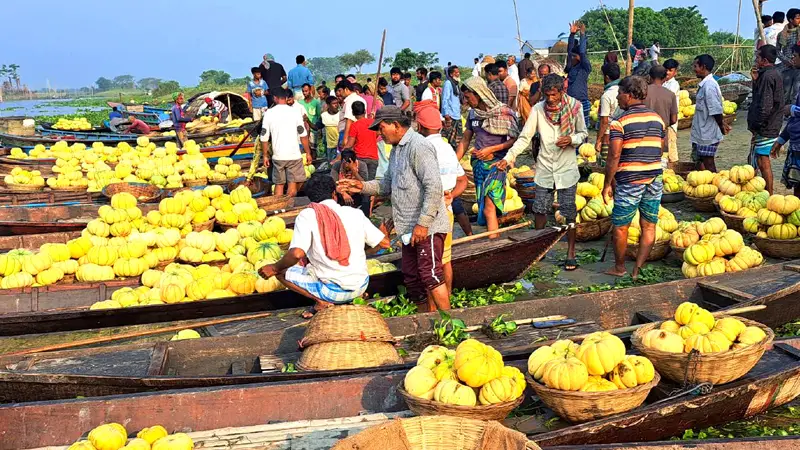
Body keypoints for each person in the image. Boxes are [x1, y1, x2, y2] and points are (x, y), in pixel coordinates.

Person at [338, 106, 452, 312]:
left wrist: (423, 223)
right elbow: (387, 184)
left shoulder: (419, 146)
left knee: (430, 274)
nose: (379, 134)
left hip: (427, 227)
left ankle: (449, 323)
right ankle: (426, 317)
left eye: (381, 128)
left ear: (396, 125)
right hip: (407, 228)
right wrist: (361, 186)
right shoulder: (397, 150)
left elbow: (434, 187)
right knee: (411, 276)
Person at [259, 174, 388, 318]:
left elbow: (296, 254)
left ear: (310, 197)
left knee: (281, 271)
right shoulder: (355, 213)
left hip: (333, 293)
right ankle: (355, 295)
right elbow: (384, 243)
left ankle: (321, 302)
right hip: (361, 285)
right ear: (334, 193)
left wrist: (275, 267)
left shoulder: (307, 215)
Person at [499, 74, 586, 270]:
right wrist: (508, 157)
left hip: (567, 168)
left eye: (554, 95)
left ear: (561, 92)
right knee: (540, 210)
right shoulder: (538, 110)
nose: (551, 99)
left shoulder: (575, 107)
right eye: (547, 95)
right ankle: (541, 249)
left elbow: (583, 133)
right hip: (545, 167)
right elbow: (524, 137)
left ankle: (570, 253)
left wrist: (571, 139)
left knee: (568, 211)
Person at [602, 76, 666, 279]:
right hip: (655, 177)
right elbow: (660, 148)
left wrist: (607, 184)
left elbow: (614, 155)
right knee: (649, 224)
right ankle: (637, 269)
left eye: (620, 93)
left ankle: (620, 268)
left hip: (630, 180)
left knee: (621, 226)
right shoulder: (657, 119)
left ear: (628, 96)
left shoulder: (619, 123)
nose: (618, 97)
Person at [415, 99, 469, 295]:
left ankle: (434, 306)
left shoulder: (420, 149)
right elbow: (463, 181)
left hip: (429, 214)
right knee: (445, 260)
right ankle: (448, 301)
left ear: (419, 126)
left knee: (430, 264)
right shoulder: (447, 148)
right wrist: (451, 196)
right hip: (447, 211)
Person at [456, 77, 519, 237]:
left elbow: (513, 140)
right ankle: (493, 238)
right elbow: (465, 139)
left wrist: (491, 149)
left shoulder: (504, 112)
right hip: (479, 166)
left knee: (491, 205)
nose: (467, 101)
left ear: (479, 94)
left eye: (468, 97)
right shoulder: (473, 115)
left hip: (497, 165)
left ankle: (493, 243)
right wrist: (454, 162)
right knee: (484, 206)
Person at [258, 88, 311, 197]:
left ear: (275, 98)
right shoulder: (295, 112)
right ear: (286, 98)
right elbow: (303, 134)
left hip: (278, 156)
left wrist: (265, 155)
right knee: (292, 185)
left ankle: (279, 207)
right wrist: (308, 153)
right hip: (294, 155)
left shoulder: (269, 113)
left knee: (279, 184)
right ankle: (289, 208)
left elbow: (264, 136)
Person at [748, 45, 784, 195]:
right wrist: (756, 81)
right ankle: (760, 191)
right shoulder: (770, 74)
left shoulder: (768, 76)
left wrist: (757, 125)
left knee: (763, 161)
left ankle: (769, 193)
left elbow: (765, 106)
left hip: (766, 126)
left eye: (757, 58)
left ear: (764, 60)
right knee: (758, 158)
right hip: (770, 123)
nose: (755, 60)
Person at [690, 54, 730, 172]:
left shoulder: (709, 86)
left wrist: (721, 125)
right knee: (700, 161)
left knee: (708, 163)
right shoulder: (704, 85)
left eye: (695, 66)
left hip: (707, 133)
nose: (694, 68)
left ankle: (714, 186)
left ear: (703, 67)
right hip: (701, 132)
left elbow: (716, 110)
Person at [772, 45, 800, 196]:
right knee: (796, 183)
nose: (793, 58)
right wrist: (781, 139)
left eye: (795, 55)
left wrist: (793, 110)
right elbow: (794, 120)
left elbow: (794, 113)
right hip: (796, 143)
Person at [644, 65, 679, 169]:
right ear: (665, 78)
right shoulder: (670, 94)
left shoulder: (643, 92)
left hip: (643, 135)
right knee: (660, 168)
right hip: (661, 137)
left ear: (649, 77)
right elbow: (674, 119)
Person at [566, 21, 592, 128]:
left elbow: (582, 52)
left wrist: (582, 35)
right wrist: (572, 35)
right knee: (570, 128)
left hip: (582, 102)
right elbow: (569, 50)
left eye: (573, 56)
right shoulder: (571, 67)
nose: (571, 58)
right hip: (570, 103)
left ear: (579, 58)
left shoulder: (584, 67)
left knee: (583, 129)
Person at [344, 101, 379, 182]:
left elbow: (349, 144)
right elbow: (377, 135)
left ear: (353, 113)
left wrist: (340, 155)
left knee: (361, 183)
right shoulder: (373, 123)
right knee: (370, 183)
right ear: (365, 111)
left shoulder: (354, 125)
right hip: (373, 157)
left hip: (360, 157)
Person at [331, 149, 370, 215]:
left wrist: (354, 172)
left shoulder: (362, 165)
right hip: (341, 191)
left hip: (357, 191)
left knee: (366, 196)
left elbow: (364, 184)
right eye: (345, 165)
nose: (347, 168)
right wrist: (344, 193)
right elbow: (334, 183)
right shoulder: (337, 165)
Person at [596, 63, 622, 159]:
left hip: (608, 135)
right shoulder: (624, 90)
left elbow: (604, 121)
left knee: (607, 162)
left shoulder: (607, 95)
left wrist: (598, 140)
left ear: (606, 77)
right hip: (621, 132)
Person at [336, 80, 367, 151]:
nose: (339, 93)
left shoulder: (350, 100)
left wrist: (345, 138)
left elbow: (349, 119)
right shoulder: (360, 99)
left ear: (346, 89)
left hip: (349, 133)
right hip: (359, 131)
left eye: (340, 91)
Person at [662, 59, 681, 165]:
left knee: (671, 148)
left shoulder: (674, 84)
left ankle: (674, 168)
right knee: (665, 149)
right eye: (666, 70)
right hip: (664, 120)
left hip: (670, 122)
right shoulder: (664, 83)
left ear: (675, 72)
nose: (668, 72)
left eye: (670, 70)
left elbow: (667, 100)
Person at [442, 65, 463, 150]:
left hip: (457, 114)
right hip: (451, 116)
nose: (458, 74)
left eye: (458, 72)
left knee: (457, 140)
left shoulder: (456, 84)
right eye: (456, 72)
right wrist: (446, 114)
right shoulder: (448, 83)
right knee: (449, 139)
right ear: (451, 74)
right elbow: (445, 99)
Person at [299, 83, 323, 156]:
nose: (304, 93)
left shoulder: (316, 102)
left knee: (313, 149)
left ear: (310, 91)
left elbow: (319, 116)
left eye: (306, 91)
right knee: (303, 149)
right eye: (303, 91)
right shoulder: (300, 103)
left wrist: (319, 130)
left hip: (313, 130)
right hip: (303, 130)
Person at [321, 96, 341, 162]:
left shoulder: (341, 115)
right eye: (334, 103)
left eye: (337, 103)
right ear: (328, 105)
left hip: (340, 146)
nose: (336, 105)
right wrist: (308, 121)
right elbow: (316, 127)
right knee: (332, 165)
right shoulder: (324, 116)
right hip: (330, 146)